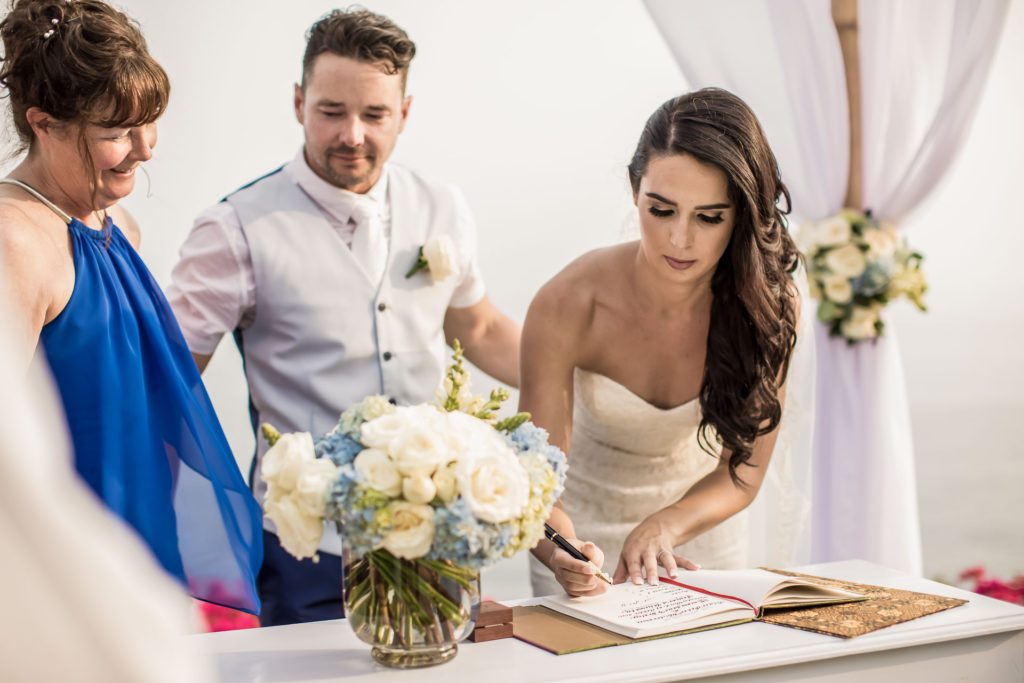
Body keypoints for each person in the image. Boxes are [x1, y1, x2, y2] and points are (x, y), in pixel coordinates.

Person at [167, 8, 520, 626]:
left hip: (438, 527)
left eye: (375, 114)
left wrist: (587, 370)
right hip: (306, 544)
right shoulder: (233, 228)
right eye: (331, 111)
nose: (352, 134)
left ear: (405, 113)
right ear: (299, 101)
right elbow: (171, 380)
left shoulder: (442, 206)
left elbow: (482, 330)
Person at [0, 0, 262, 613]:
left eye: (150, 122)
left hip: (142, 524)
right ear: (43, 123)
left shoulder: (123, 227)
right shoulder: (13, 241)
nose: (145, 149)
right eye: (116, 133)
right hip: (69, 561)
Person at [522, 88, 809, 597]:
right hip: (580, 546)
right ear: (636, 190)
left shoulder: (769, 305)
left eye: (709, 217)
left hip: (700, 544)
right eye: (662, 210)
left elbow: (743, 472)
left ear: (740, 214)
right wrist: (562, 554)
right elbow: (537, 484)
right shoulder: (567, 302)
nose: (680, 239)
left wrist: (666, 525)